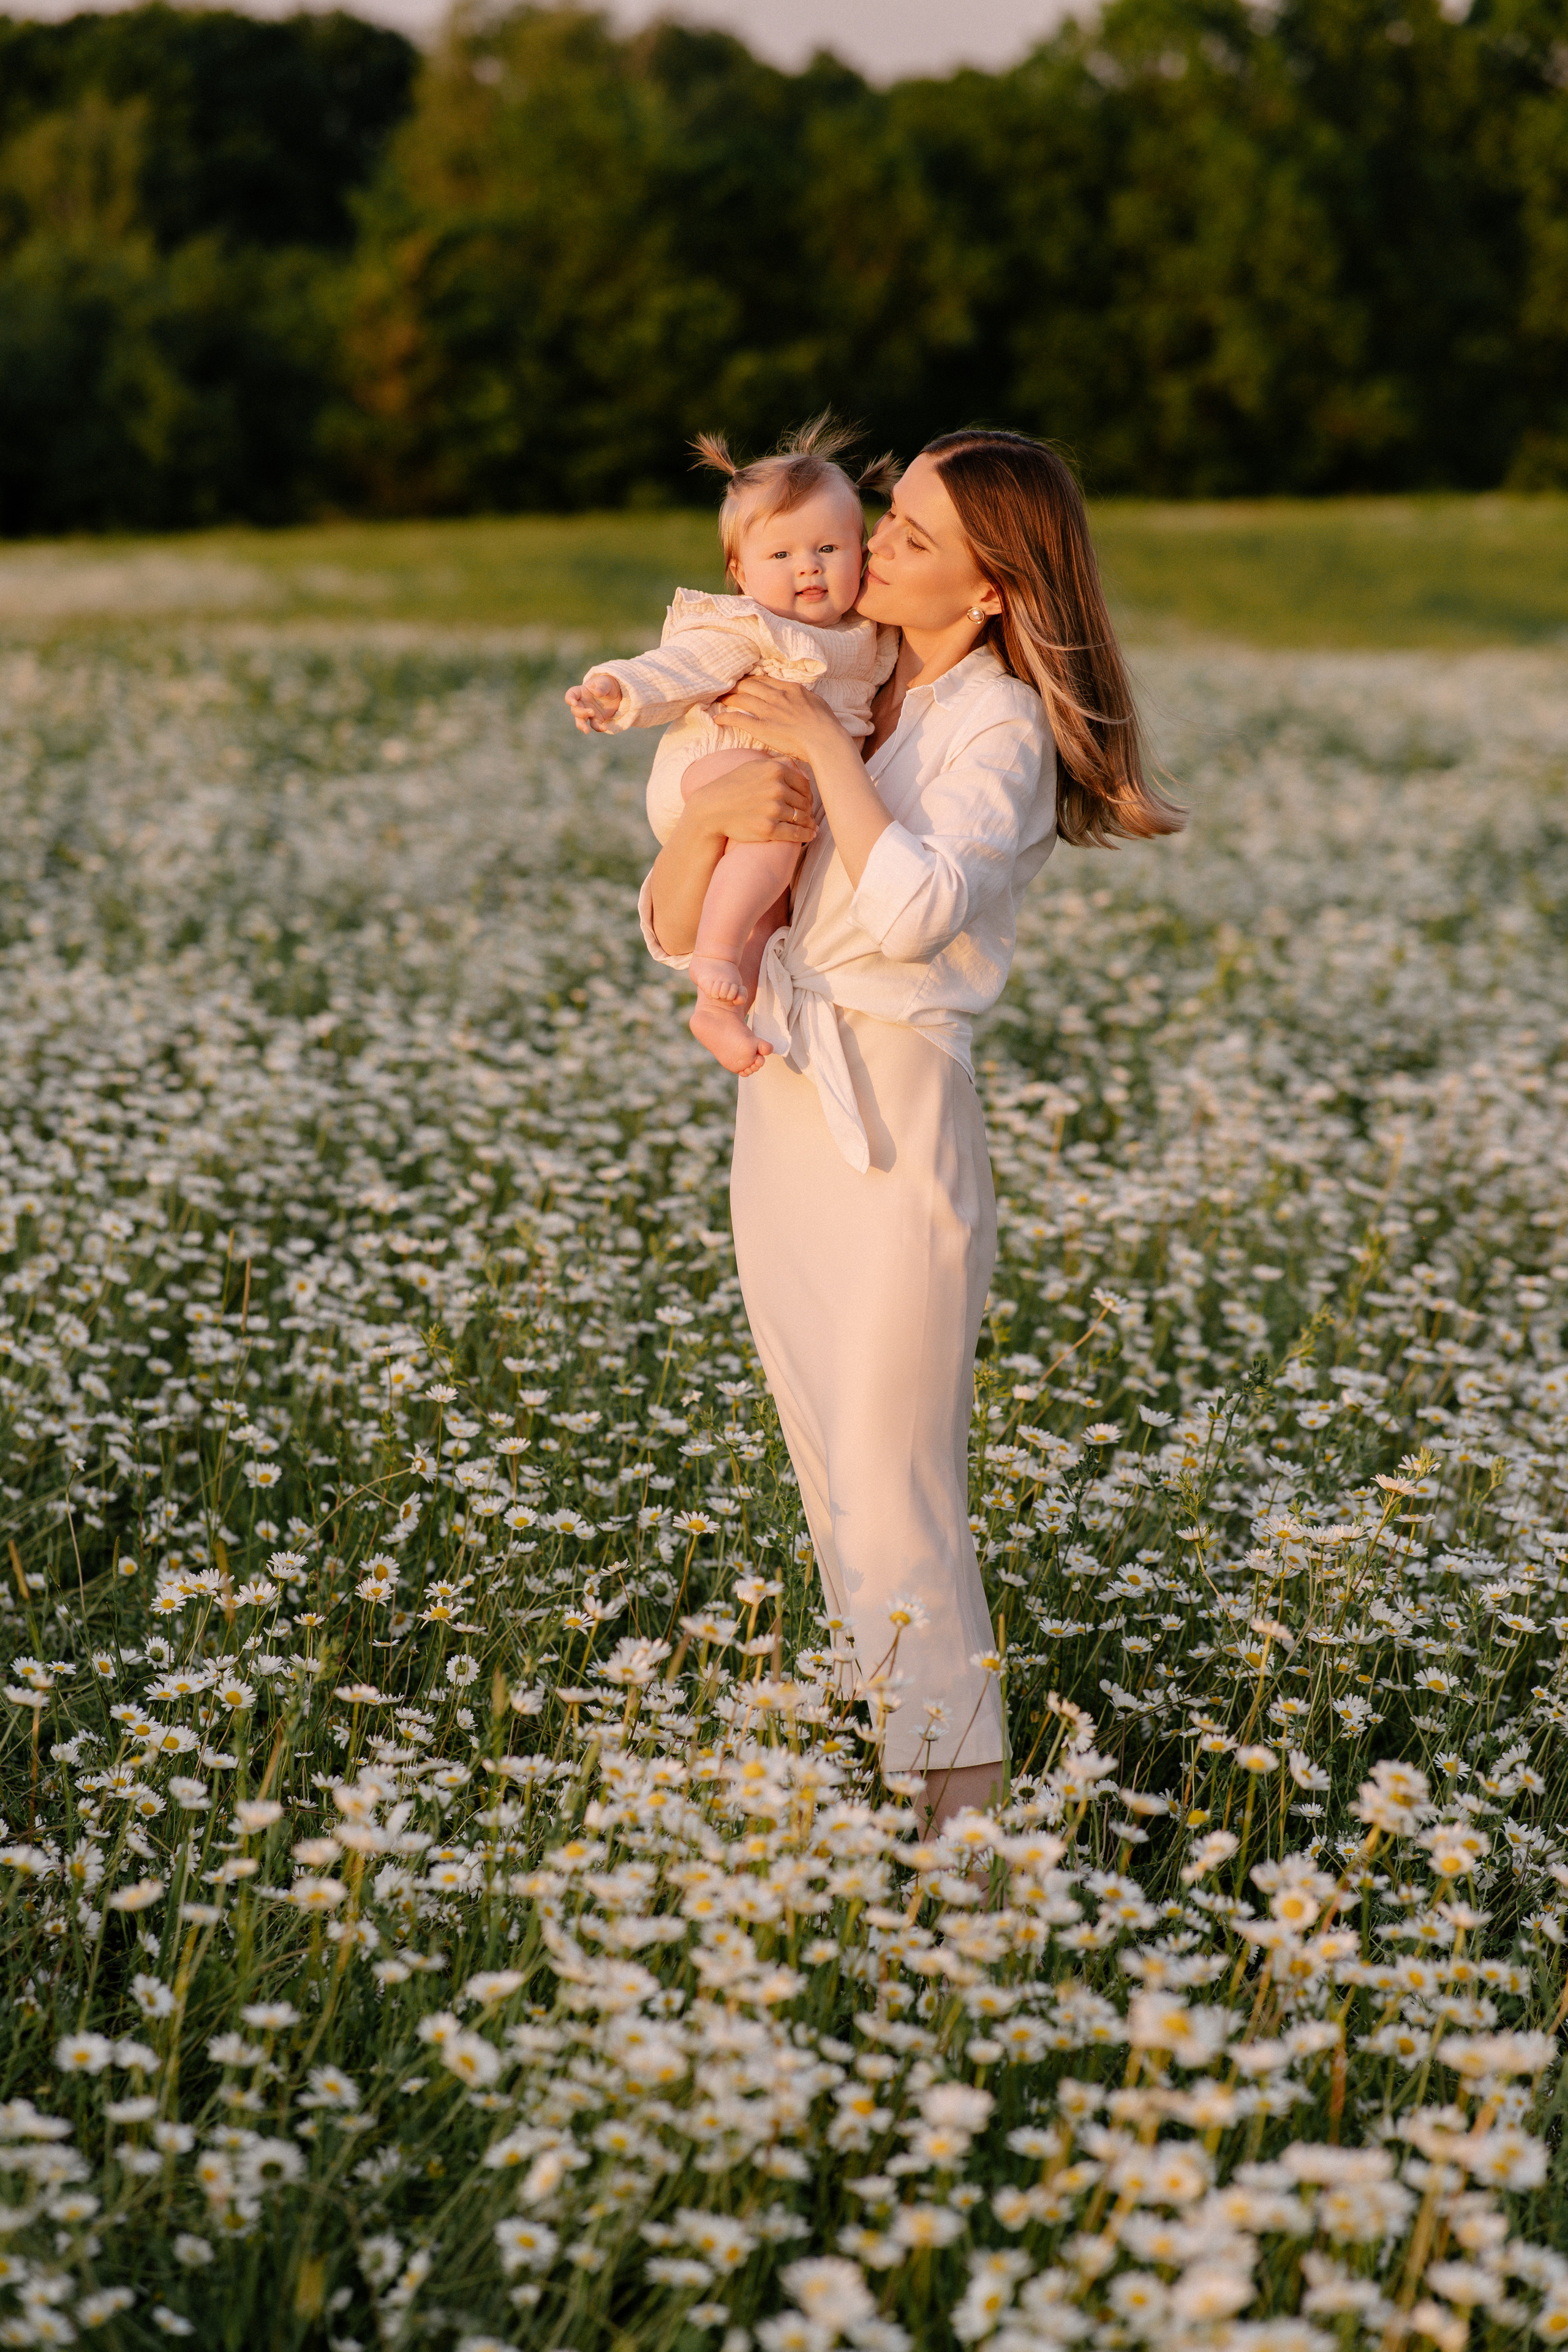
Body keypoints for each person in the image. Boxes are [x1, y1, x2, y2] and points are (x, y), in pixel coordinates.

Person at [641, 428, 1183, 1828]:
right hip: (780, 1106)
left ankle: (973, 1866)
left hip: (892, 1115)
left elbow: (911, 910)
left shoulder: (990, 721)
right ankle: (907, 1813)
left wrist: (815, 751)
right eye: (886, 518)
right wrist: (701, 819)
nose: (870, 548)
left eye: (914, 538)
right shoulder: (857, 681)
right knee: (831, 1476)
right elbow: (669, 925)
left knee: (896, 1497)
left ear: (992, 587)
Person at [565, 419, 897, 1076]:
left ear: (862, 554)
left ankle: (722, 1007)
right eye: (780, 556)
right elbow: (678, 668)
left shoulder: (873, 637)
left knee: (771, 912)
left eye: (829, 548)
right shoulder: (749, 627)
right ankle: (712, 958)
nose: (807, 566)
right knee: (774, 821)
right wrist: (614, 688)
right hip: (715, 774)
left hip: (780, 809)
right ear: (740, 574)